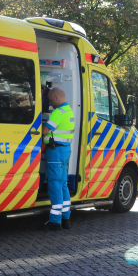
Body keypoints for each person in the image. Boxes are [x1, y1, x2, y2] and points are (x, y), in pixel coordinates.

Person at [41, 87, 75, 231]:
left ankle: (55, 222)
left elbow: (44, 130)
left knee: (54, 185)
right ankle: (66, 218)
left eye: (50, 100)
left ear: (56, 98)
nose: (50, 103)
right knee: (62, 184)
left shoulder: (58, 112)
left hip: (55, 151)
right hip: (65, 150)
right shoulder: (69, 111)